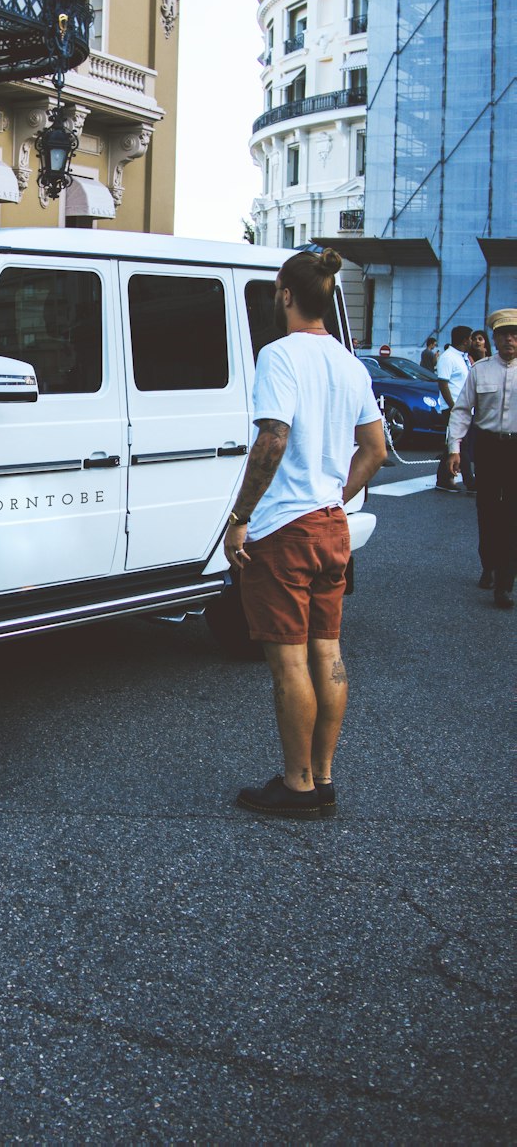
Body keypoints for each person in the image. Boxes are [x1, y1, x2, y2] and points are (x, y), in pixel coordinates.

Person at [224, 249, 386, 819]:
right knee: (328, 651)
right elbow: (377, 449)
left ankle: (295, 786)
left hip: (284, 531)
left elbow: (272, 438)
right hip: (329, 526)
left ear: (286, 295)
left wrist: (239, 517)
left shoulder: (279, 355)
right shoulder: (349, 363)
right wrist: (334, 497)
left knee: (288, 662)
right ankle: (322, 778)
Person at [446, 308, 517, 610]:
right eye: (503, 334)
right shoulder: (480, 370)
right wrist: (454, 448)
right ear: (494, 338)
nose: (510, 340)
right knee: (487, 510)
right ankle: (488, 564)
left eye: (515, 334)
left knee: (512, 514)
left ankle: (505, 583)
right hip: (488, 446)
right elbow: (462, 410)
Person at [434, 325, 473, 491]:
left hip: (463, 407)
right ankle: (469, 481)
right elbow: (443, 383)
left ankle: (443, 479)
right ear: (465, 340)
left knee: (453, 444)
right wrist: (453, 407)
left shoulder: (462, 357)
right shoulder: (448, 357)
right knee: (461, 444)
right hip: (453, 408)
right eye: (471, 338)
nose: (472, 341)